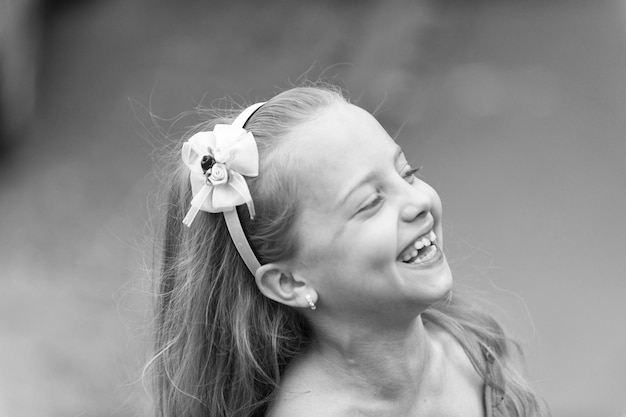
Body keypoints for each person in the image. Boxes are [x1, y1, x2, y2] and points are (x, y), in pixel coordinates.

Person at [146, 84, 548, 417]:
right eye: (370, 203)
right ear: (288, 281)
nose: (417, 201)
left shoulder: (473, 346)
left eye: (407, 173)